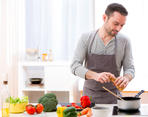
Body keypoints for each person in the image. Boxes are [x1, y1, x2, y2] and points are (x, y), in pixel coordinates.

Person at [70, 3, 135, 104]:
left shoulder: (125, 41)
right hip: (89, 98)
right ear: (105, 18)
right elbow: (74, 66)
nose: (118, 29)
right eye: (116, 23)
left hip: (114, 98)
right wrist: (95, 75)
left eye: (122, 25)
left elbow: (130, 68)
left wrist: (126, 78)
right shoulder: (86, 38)